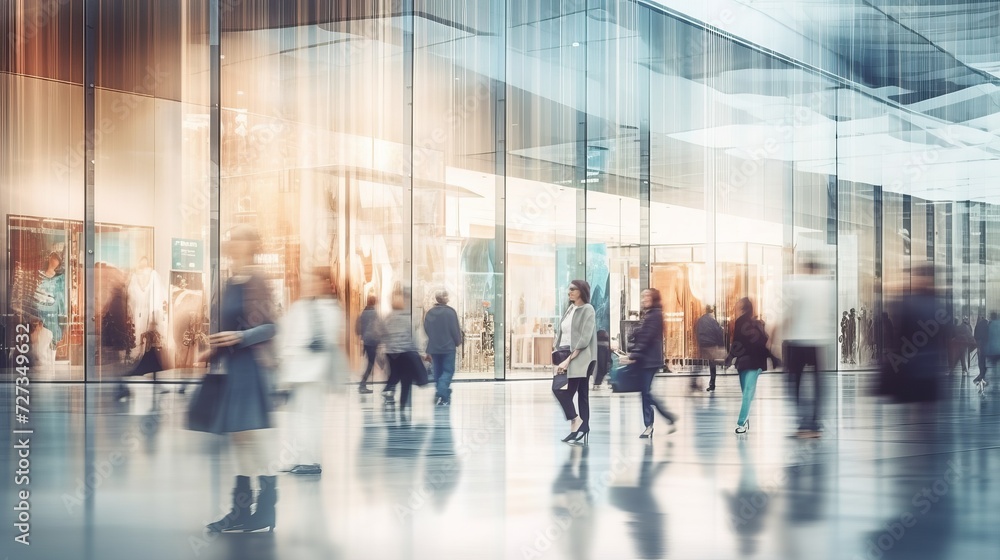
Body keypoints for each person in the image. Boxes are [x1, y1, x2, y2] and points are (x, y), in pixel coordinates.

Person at [204, 226, 279, 533]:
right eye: (231, 241)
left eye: (238, 241)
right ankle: (244, 510)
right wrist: (211, 350)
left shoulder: (257, 280)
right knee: (240, 440)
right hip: (234, 369)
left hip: (251, 369)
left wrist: (240, 336)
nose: (231, 245)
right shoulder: (229, 281)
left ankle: (262, 508)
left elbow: (271, 327)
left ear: (251, 246)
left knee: (250, 439)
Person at [278, 269, 346, 475]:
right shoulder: (302, 306)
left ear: (326, 284)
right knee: (296, 418)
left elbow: (323, 341)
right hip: (297, 372)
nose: (309, 285)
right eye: (307, 281)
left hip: (313, 373)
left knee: (309, 417)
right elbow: (287, 335)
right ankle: (298, 459)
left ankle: (310, 461)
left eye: (314, 281)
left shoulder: (329, 309)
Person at [783, 260, 835, 438]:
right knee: (819, 384)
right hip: (818, 342)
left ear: (805, 268)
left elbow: (789, 313)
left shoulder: (796, 283)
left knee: (794, 383)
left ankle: (803, 424)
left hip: (798, 340)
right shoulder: (827, 286)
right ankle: (815, 424)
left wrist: (777, 338)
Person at [621, 288, 677, 438]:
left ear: (654, 298)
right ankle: (660, 421)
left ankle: (654, 423)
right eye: (642, 296)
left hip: (649, 360)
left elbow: (647, 337)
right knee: (645, 392)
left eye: (647, 296)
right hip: (646, 360)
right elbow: (643, 334)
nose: (643, 299)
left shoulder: (655, 315)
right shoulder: (649, 315)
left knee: (645, 392)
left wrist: (634, 354)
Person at [553, 279, 597, 445]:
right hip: (565, 354)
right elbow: (563, 331)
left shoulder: (588, 309)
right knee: (580, 393)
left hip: (580, 356)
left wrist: (568, 360)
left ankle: (576, 421)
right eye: (569, 289)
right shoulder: (570, 308)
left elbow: (584, 338)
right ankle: (581, 426)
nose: (569, 292)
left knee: (562, 390)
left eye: (573, 289)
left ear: (581, 291)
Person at [725, 297, 770, 434]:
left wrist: (730, 357)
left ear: (743, 307)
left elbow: (737, 342)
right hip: (746, 363)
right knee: (746, 392)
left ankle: (741, 423)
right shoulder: (751, 323)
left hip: (750, 363)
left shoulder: (743, 322)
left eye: (738, 305)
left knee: (747, 393)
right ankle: (746, 417)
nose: (735, 307)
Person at [424, 289, 463, 406]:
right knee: (448, 370)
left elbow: (426, 328)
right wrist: (457, 342)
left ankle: (442, 393)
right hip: (448, 347)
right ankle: (442, 391)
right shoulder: (451, 312)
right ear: (446, 299)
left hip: (434, 347)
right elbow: (455, 330)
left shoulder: (430, 312)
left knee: (437, 370)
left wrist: (433, 338)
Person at [382, 288, 419, 409]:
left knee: (394, 373)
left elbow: (383, 334)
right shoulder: (405, 318)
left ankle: (389, 389)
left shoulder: (388, 318)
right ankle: (403, 402)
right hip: (404, 351)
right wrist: (418, 351)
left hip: (391, 351)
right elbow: (412, 336)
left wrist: (384, 348)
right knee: (406, 378)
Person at [696, 304, 726, 392]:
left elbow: (697, 331)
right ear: (711, 311)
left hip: (703, 344)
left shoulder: (701, 320)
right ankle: (712, 383)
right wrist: (721, 345)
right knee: (712, 364)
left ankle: (696, 381)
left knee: (702, 363)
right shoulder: (713, 320)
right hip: (711, 344)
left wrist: (699, 342)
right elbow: (718, 332)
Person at [355, 294, 381, 394]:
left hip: (366, 341)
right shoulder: (374, 313)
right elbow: (377, 327)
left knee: (370, 364)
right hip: (372, 341)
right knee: (370, 364)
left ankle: (363, 384)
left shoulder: (363, 312)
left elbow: (359, 328)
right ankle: (362, 384)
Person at [973, 315, 990, 385]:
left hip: (980, 345)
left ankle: (981, 373)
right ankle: (983, 373)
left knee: (981, 359)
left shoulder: (978, 326)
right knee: (984, 359)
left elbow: (976, 336)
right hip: (987, 345)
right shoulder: (987, 326)